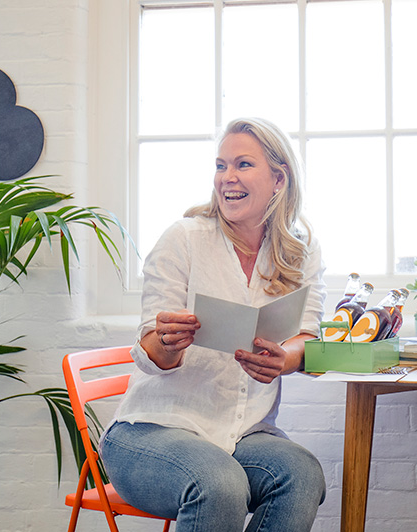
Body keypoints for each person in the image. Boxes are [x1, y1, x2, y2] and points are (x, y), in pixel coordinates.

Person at [100, 117, 327, 531]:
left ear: (279, 179)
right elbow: (150, 349)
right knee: (219, 483)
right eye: (221, 165)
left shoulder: (301, 252)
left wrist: (286, 359)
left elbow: (307, 337)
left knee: (302, 474)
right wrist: (167, 343)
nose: (228, 178)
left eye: (243, 164)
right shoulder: (184, 238)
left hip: (241, 434)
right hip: (150, 432)